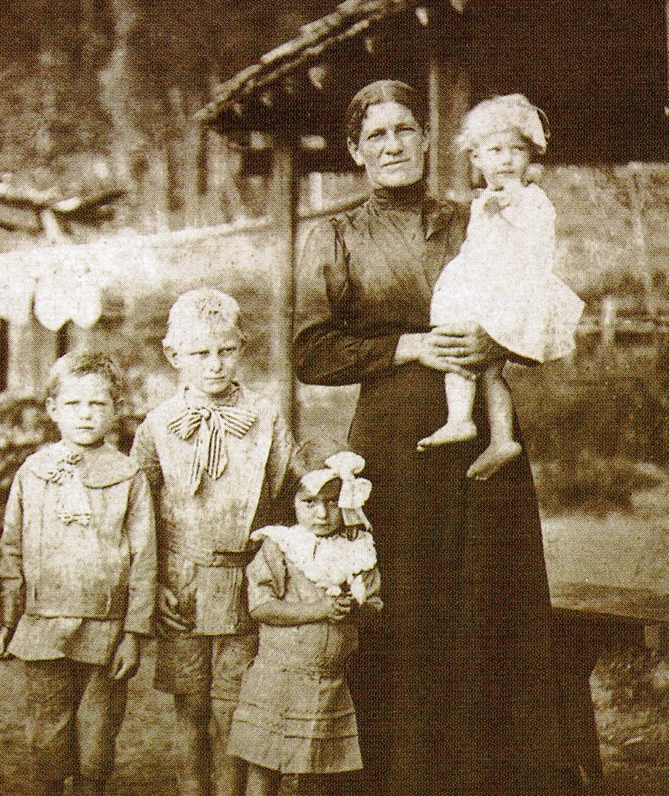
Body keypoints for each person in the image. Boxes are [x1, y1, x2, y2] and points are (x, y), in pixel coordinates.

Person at [293, 79, 583, 796]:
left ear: (427, 139)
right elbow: (310, 351)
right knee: (409, 608)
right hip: (394, 440)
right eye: (376, 136)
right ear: (356, 152)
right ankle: (403, 779)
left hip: (485, 433)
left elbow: (537, 302)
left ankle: (499, 779)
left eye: (404, 130)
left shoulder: (482, 214)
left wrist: (496, 341)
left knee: (492, 602)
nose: (393, 146)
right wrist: (409, 347)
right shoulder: (332, 234)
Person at [132, 288, 295, 796]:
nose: (214, 364)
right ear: (173, 355)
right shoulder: (157, 426)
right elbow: (138, 513)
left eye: (225, 350)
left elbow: (289, 495)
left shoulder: (265, 418)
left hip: (246, 586)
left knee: (236, 710)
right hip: (182, 587)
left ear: (241, 347)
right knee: (191, 712)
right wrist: (153, 582)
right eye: (200, 353)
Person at [0, 351, 155, 796]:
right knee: (47, 740)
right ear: (52, 409)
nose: (86, 414)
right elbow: (11, 549)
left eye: (98, 404)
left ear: (115, 409)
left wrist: (134, 633)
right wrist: (8, 619)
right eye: (73, 404)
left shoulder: (128, 475)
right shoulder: (33, 471)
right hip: (43, 625)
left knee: (96, 745)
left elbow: (144, 557)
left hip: (103, 629)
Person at [418, 94, 585, 479]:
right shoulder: (483, 200)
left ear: (531, 156)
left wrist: (509, 213)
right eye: (495, 150)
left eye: (517, 149)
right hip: (484, 289)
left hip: (510, 291)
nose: (507, 159)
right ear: (476, 158)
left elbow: (537, 244)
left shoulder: (531, 198)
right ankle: (496, 436)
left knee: (469, 353)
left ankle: (467, 420)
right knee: (483, 368)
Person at [230, 449, 381, 796]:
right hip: (278, 678)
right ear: (293, 503)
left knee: (319, 770)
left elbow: (374, 603)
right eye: (309, 502)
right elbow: (262, 608)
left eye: (331, 502)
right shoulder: (281, 546)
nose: (322, 513)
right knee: (264, 764)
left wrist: (354, 610)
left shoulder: (359, 549)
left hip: (328, 681)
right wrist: (321, 609)